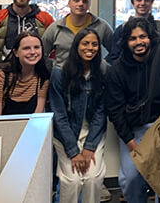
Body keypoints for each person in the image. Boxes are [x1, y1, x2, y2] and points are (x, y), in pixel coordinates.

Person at [105, 17, 160, 203]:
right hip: (134, 132)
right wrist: (131, 143)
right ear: (126, 42)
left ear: (150, 37)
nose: (138, 42)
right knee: (130, 178)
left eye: (142, 36)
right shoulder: (117, 70)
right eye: (133, 39)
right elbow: (115, 111)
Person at [50, 28, 107, 203]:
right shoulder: (59, 73)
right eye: (85, 43)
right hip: (66, 135)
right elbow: (59, 115)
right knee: (73, 181)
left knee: (92, 179)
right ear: (76, 46)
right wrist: (74, 152)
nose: (90, 48)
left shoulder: (103, 71)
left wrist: (89, 147)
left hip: (93, 133)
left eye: (94, 44)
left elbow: (101, 112)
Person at [42, 0, 113, 68]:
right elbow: (42, 53)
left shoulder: (101, 26)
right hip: (63, 77)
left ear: (89, 4)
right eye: (76, 0)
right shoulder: (55, 28)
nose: (80, 4)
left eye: (85, 1)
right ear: (69, 3)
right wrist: (54, 68)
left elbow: (116, 52)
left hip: (93, 77)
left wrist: (103, 66)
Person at [0, 32, 50, 115]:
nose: (33, 52)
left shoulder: (43, 78)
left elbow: (36, 117)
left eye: (36, 47)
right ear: (16, 53)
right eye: (26, 48)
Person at [108, 0, 160, 64]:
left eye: (146, 0)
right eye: (139, 0)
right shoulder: (122, 29)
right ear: (133, 3)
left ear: (151, 3)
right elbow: (115, 57)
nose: (142, 3)